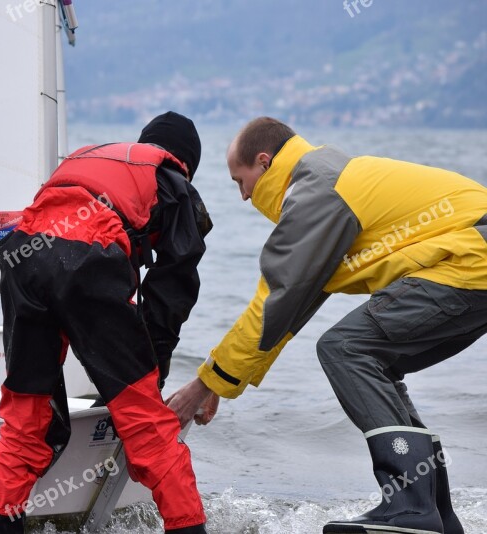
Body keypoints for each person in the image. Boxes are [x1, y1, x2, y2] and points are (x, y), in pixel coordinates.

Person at [168, 117, 487, 534]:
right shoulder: (328, 178)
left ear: (265, 163)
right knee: (376, 361)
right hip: (472, 259)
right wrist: (219, 383)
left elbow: (274, 303)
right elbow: (288, 310)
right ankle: (436, 513)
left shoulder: (315, 191)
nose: (243, 197)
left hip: (468, 258)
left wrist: (202, 385)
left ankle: (411, 508)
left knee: (346, 348)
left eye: (240, 181)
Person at [0, 112, 213, 533]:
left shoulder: (93, 159)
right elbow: (174, 285)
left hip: (22, 258)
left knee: (26, 420)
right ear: (185, 163)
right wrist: (151, 369)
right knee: (147, 426)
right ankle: (189, 526)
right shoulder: (172, 179)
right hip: (87, 257)